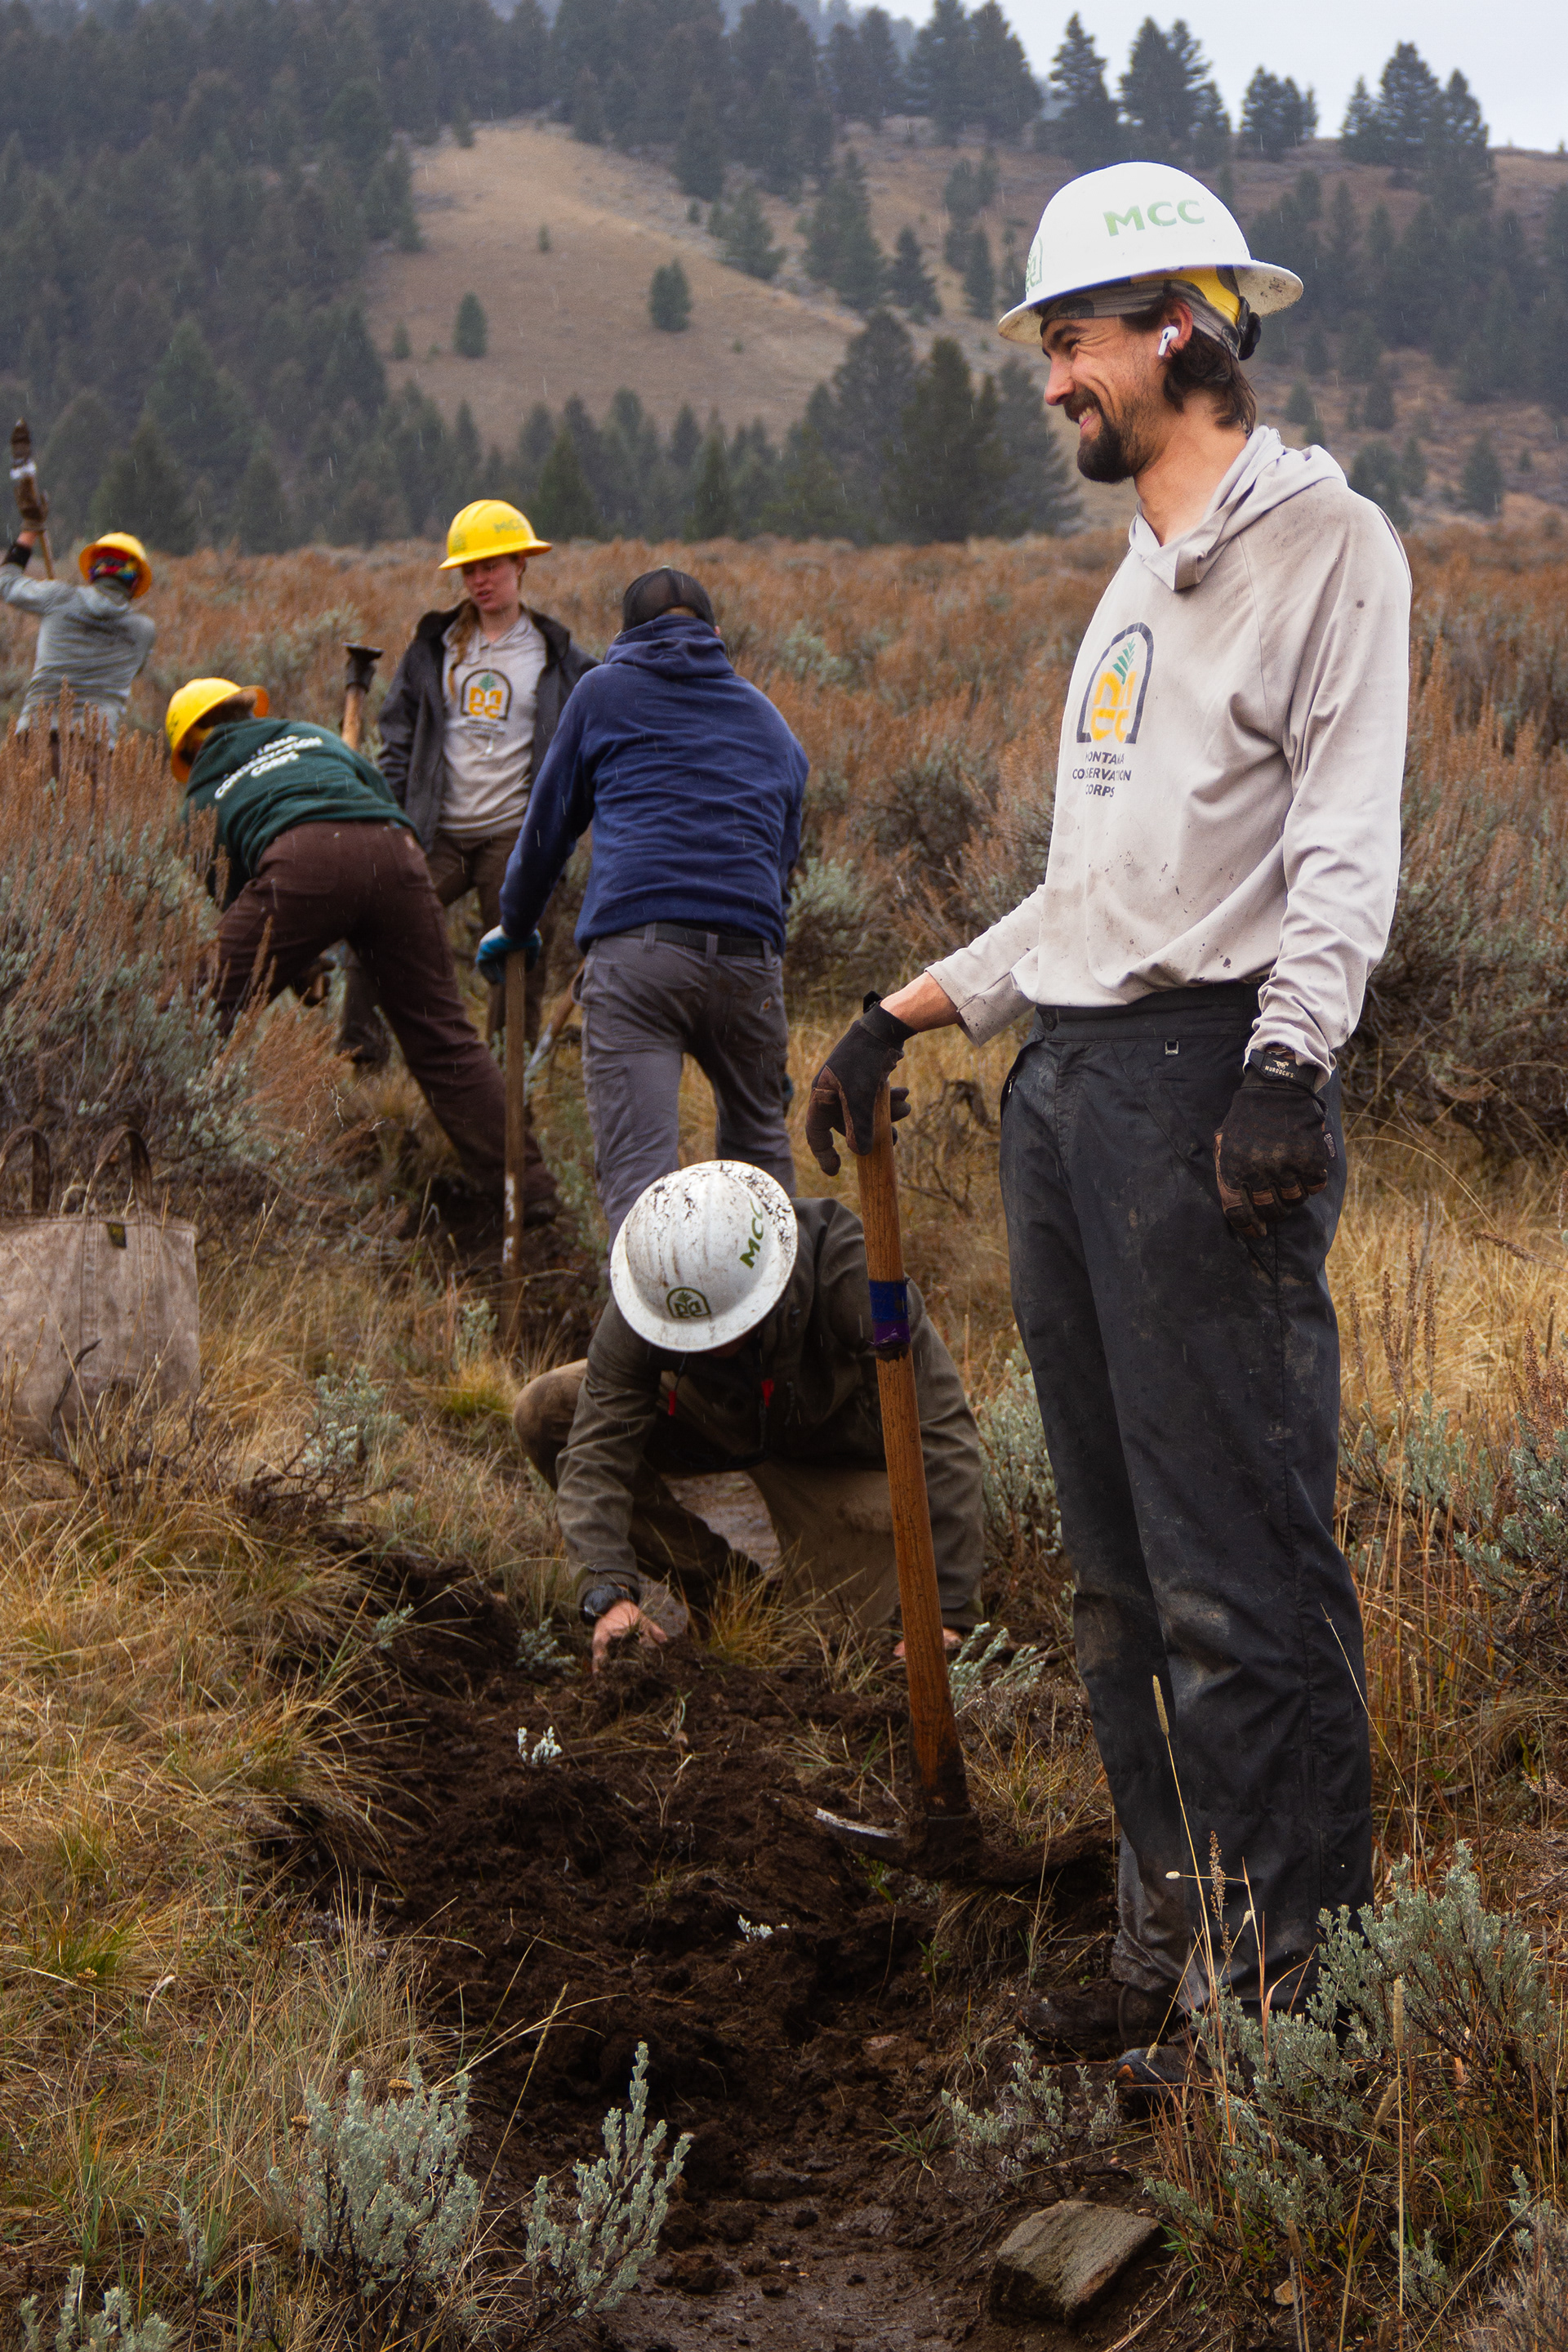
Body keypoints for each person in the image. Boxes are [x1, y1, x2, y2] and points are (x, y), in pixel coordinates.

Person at [805, 162, 1411, 2096]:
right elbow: (1096, 890)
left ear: (1180, 330)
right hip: (1070, 1090)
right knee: (1116, 1566)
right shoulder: (1137, 578)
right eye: (1049, 346)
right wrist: (910, 1009)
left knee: (1237, 1564)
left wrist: (1287, 1067)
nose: (1050, 378)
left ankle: (1285, 2011)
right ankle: (1170, 1945)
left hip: (1202, 1095)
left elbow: (1345, 847)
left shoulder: (1329, 550)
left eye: (1070, 341)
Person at [513, 1160, 983, 1670]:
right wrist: (607, 1592)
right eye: (695, 1338)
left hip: (834, 1449)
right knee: (546, 1410)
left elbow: (940, 1427)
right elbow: (594, 1449)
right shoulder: (653, 1288)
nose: (711, 1346)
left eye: (726, 1330)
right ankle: (721, 1586)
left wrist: (947, 1607)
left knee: (833, 1649)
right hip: (717, 1418)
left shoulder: (852, 1270)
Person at [481, 567, 805, 1246]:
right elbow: (779, 869)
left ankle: (651, 1316)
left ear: (626, 637)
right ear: (716, 634)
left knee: (642, 1189)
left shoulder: (603, 692)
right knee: (761, 1174)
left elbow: (546, 833)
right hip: (750, 967)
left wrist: (515, 923)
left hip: (640, 964)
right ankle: (777, 1305)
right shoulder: (770, 723)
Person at [167, 676, 514, 1189]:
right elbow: (378, 798)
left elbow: (240, 901)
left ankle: (156, 1155)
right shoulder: (311, 735)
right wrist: (312, 958)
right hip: (395, 854)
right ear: (247, 712)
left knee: (193, 1009)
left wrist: (302, 966)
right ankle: (523, 1194)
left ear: (188, 748)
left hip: (301, 863)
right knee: (444, 1038)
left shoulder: (199, 800)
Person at [337, 499, 595, 1074]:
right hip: (438, 833)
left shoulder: (559, 656)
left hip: (517, 837)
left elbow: (598, 734)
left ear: (521, 563)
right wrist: (394, 819)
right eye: (469, 569)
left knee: (518, 958)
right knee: (377, 926)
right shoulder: (433, 648)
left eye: (492, 566)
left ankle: (506, 1089)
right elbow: (397, 736)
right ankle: (361, 1069)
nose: (480, 580)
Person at [1, 528, 155, 754]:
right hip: (95, 751)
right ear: (135, 583)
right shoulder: (144, 631)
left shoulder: (59, 597)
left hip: (35, 739)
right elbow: (137, 671)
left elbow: (6, 582)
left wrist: (29, 531)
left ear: (93, 571)